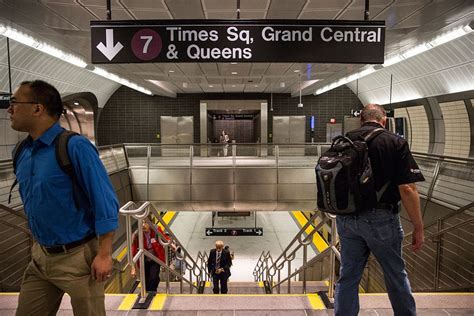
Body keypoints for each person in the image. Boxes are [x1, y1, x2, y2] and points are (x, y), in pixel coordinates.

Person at [9, 80, 119, 316]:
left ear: (38, 108)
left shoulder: (75, 147)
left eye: (14, 102)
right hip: (40, 257)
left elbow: (105, 200)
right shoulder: (22, 151)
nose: (10, 109)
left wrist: (104, 253)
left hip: (78, 259)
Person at [335, 104, 425, 316]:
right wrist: (418, 226)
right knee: (395, 274)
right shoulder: (395, 142)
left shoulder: (345, 141)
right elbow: (407, 188)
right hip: (381, 219)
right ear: (384, 120)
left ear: (361, 120)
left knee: (348, 276)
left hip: (347, 219)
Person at [130, 216, 169, 292]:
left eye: (145, 222)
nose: (143, 225)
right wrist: (133, 267)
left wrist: (171, 244)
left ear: (150, 223)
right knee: (146, 278)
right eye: (141, 223)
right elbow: (133, 251)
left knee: (154, 276)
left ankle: (152, 292)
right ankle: (148, 292)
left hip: (155, 257)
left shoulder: (156, 229)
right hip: (143, 259)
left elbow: (165, 238)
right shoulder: (137, 234)